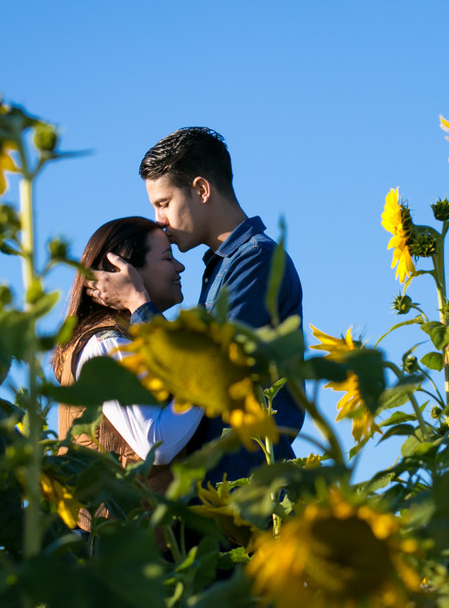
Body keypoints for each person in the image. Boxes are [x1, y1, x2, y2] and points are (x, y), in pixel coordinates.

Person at [85, 127, 305, 483]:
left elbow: (211, 366)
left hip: (252, 487)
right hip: (221, 490)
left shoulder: (256, 261)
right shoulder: (223, 266)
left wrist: (138, 303)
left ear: (201, 190)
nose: (159, 220)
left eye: (163, 203)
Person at [52, 216, 203, 527]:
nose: (180, 268)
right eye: (167, 258)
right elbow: (155, 443)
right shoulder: (105, 345)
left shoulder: (127, 338)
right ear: (124, 273)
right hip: (117, 552)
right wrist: (207, 378)